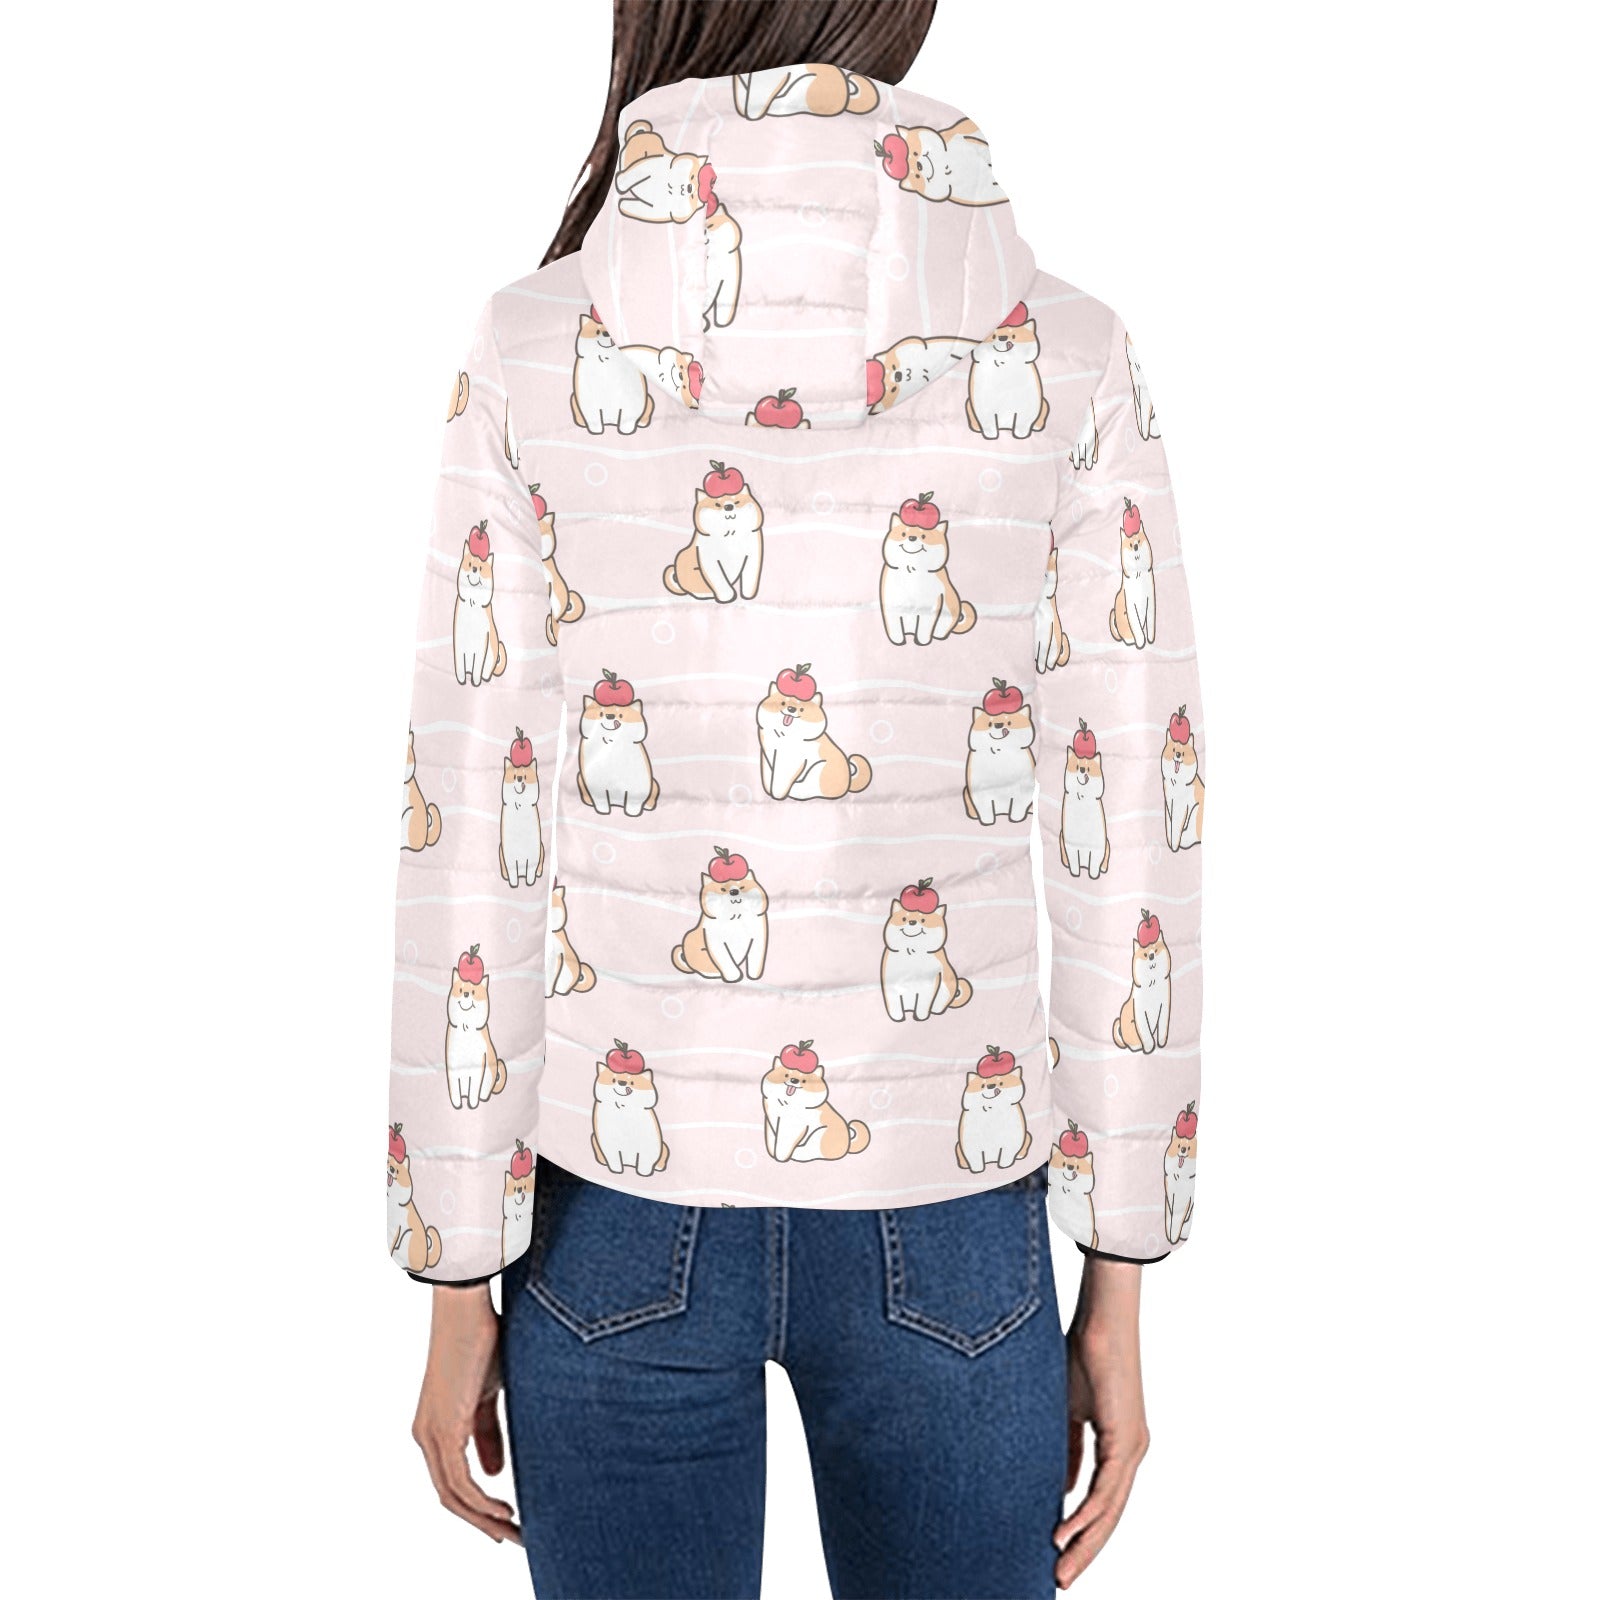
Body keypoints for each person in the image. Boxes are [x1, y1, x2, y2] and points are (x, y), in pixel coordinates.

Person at [391, 3, 1205, 1594]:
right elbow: (1133, 829)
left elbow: (471, 816)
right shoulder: (1069, 350)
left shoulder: (531, 342)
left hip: (608, 1217)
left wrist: (453, 1269)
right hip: (950, 1209)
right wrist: (1120, 1267)